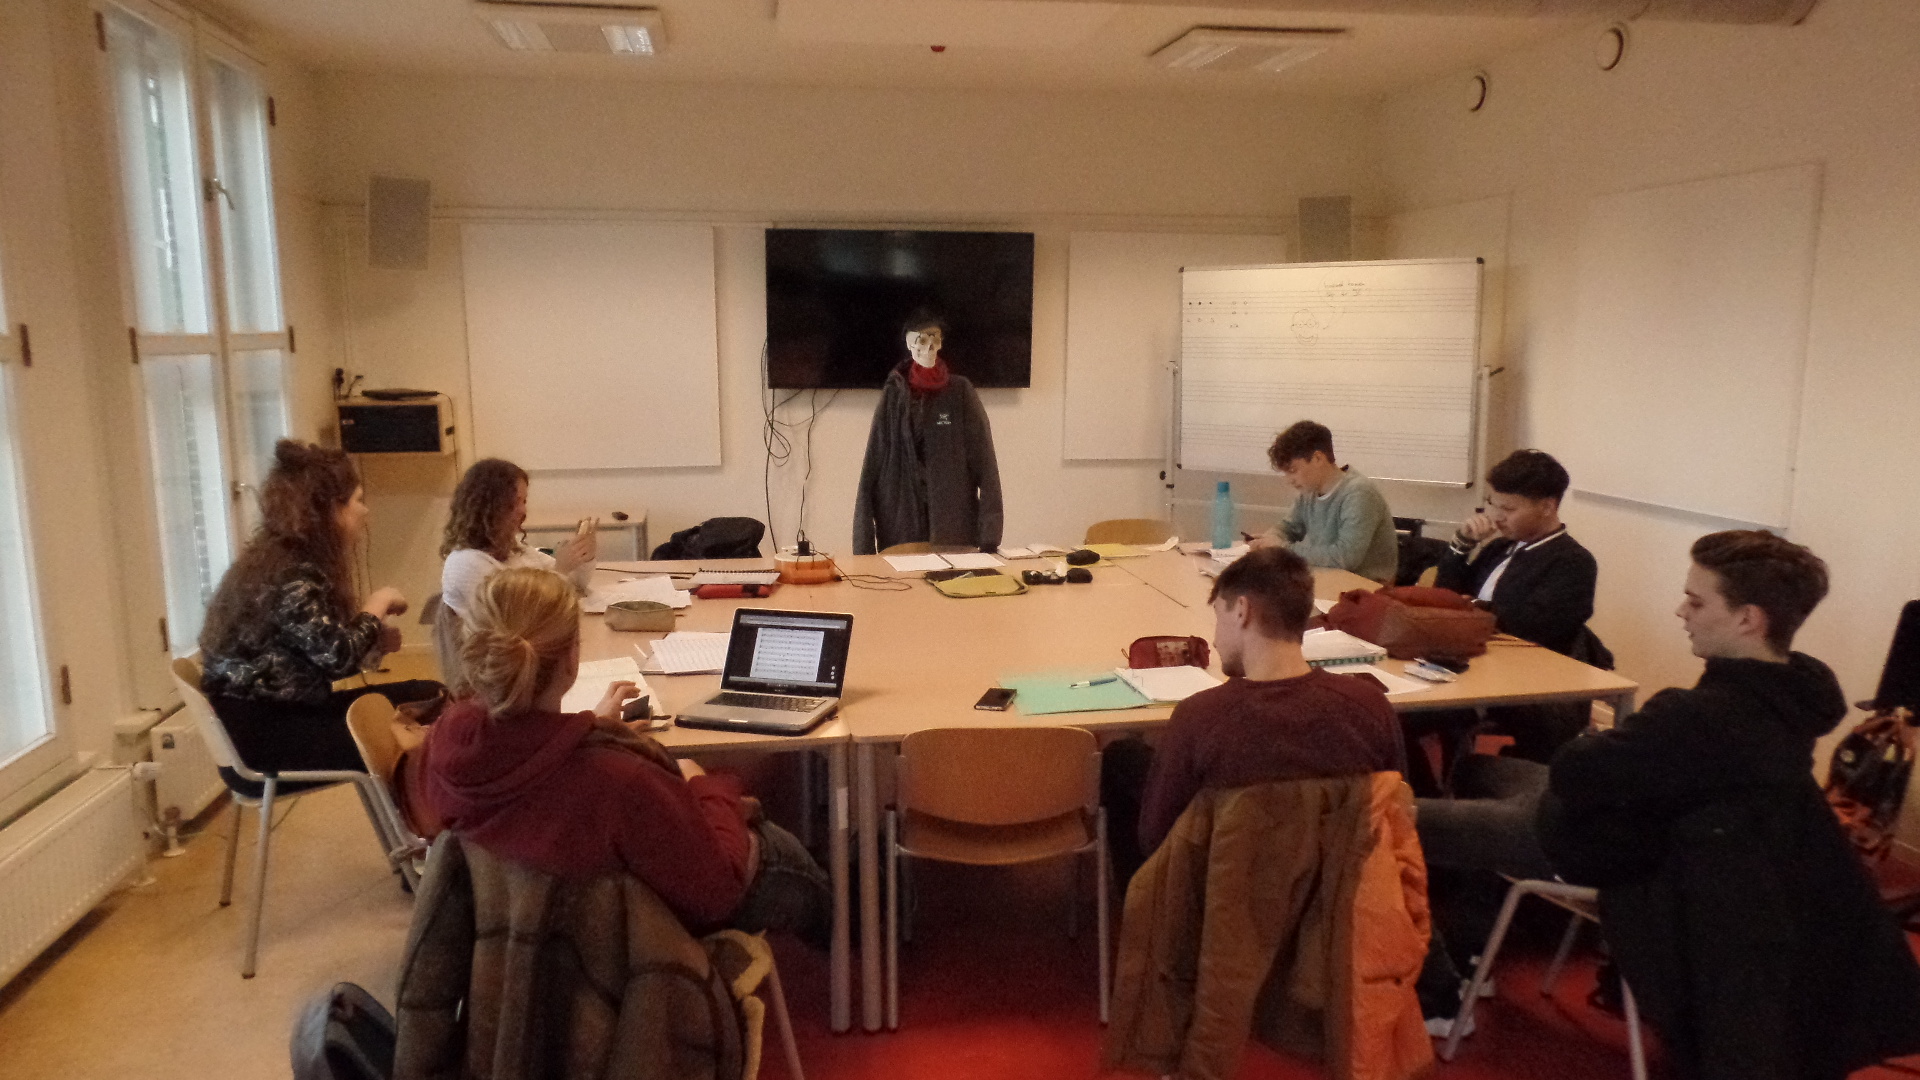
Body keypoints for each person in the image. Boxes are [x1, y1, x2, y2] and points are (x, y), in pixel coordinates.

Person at [1415, 531, 1920, 1073]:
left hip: (1590, 844)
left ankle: (1443, 988)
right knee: (1474, 770)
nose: (1682, 612)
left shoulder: (1695, 717)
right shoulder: (1795, 697)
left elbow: (1576, 771)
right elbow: (1606, 771)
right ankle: (1474, 932)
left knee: (1394, 819)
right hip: (1629, 819)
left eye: (1696, 602)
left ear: (1747, 619)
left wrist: (1602, 749)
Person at [418, 567, 833, 942]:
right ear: (571, 658)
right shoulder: (619, 778)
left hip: (518, 937)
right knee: (790, 857)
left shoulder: (444, 743)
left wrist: (588, 728)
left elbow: (535, 776)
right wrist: (711, 788)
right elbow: (717, 895)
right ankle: (849, 930)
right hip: (627, 948)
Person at [1103, 546, 1406, 883]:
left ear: (1241, 611)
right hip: (1342, 894)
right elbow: (1395, 813)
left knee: (1122, 758)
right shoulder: (1370, 706)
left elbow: (1154, 839)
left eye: (1218, 617)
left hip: (1224, 895)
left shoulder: (1200, 717)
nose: (1215, 639)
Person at [199, 440, 439, 774]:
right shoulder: (293, 573)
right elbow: (338, 658)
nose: (365, 511)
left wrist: (373, 643)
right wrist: (377, 604)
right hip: (270, 737)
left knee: (430, 696)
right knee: (430, 718)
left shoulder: (277, 561)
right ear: (330, 509)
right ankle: (423, 806)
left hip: (276, 718)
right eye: (358, 500)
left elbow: (320, 656)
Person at [1408, 449, 1610, 779]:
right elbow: (1444, 598)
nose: (1496, 517)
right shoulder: (1499, 547)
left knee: (1411, 715)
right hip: (1474, 664)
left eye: (1508, 509)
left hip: (1525, 685)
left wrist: (1471, 607)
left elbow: (1525, 624)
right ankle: (1425, 789)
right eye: (1492, 504)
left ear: (1547, 506)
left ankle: (1434, 791)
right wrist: (1461, 545)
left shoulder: (1572, 562)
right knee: (1396, 711)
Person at [851, 312, 1004, 555]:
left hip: (955, 532)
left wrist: (989, 538)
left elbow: (985, 464)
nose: (929, 347)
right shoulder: (893, 395)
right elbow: (871, 468)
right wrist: (863, 547)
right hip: (900, 533)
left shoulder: (960, 392)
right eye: (921, 340)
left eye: (935, 339)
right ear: (909, 345)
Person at [439, 457, 596, 622]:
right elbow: (520, 619)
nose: (523, 510)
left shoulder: (514, 549)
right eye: (513, 503)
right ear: (487, 507)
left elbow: (575, 586)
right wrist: (561, 570)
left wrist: (584, 557)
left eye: (524, 501)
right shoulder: (465, 563)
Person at [1249, 420, 1398, 584]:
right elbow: (1288, 527)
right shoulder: (1309, 491)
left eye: (1293, 470)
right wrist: (1270, 538)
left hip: (1367, 587)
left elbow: (1345, 557)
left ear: (1318, 458)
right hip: (1331, 580)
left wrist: (1282, 548)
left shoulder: (1359, 493)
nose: (1289, 480)